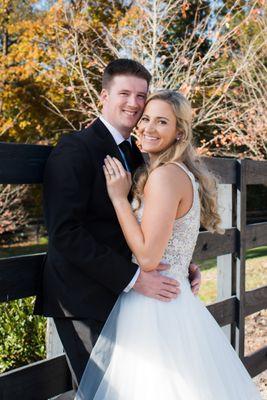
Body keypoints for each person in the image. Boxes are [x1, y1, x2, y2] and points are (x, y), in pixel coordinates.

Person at [75, 90, 261, 400]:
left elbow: (148, 258)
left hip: (155, 304)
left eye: (162, 122)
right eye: (145, 119)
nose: (148, 127)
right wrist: (184, 264)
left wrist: (120, 199)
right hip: (170, 295)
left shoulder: (164, 176)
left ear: (179, 133)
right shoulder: (175, 173)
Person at [34, 59, 201, 394]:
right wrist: (136, 278)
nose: (134, 103)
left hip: (129, 299)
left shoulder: (141, 156)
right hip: (83, 299)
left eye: (141, 95)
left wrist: (181, 263)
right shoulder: (75, 149)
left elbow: (150, 223)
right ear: (103, 96)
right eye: (124, 93)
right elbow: (65, 234)